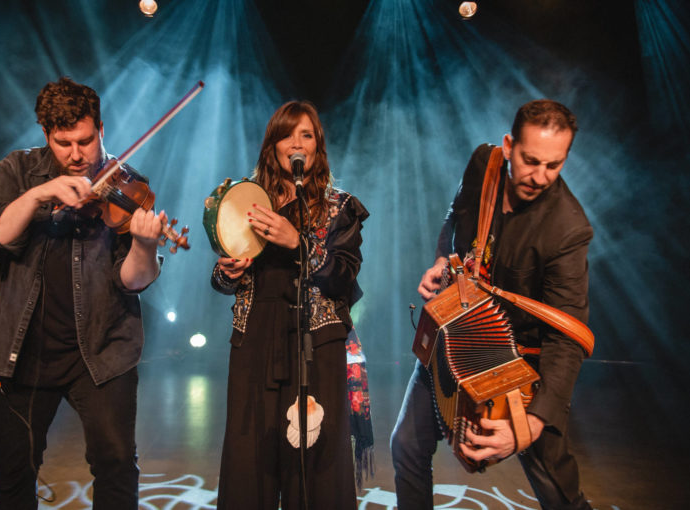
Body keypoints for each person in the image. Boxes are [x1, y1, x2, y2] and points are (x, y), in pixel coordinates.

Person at [0, 77, 165, 509]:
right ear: (44, 135)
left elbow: (132, 280)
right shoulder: (17, 171)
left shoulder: (128, 185)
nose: (77, 155)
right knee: (14, 472)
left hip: (101, 351)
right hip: (23, 352)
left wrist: (146, 245)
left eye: (86, 140)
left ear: (101, 130)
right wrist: (41, 193)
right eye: (63, 143)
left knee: (115, 466)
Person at [390, 99, 593, 509]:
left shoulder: (568, 229)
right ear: (508, 146)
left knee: (558, 493)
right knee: (407, 445)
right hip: (457, 337)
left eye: (554, 166)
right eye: (531, 160)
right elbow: (454, 217)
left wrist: (532, 423)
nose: (540, 177)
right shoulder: (485, 163)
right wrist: (440, 260)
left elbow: (566, 338)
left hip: (519, 366)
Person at [210, 100, 369, 509]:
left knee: (315, 461)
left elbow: (342, 276)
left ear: (318, 146)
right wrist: (228, 272)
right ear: (272, 145)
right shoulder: (245, 202)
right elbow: (219, 279)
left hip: (316, 344)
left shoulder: (339, 206)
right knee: (250, 459)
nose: (296, 143)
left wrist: (297, 241)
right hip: (256, 339)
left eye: (307, 134)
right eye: (287, 134)